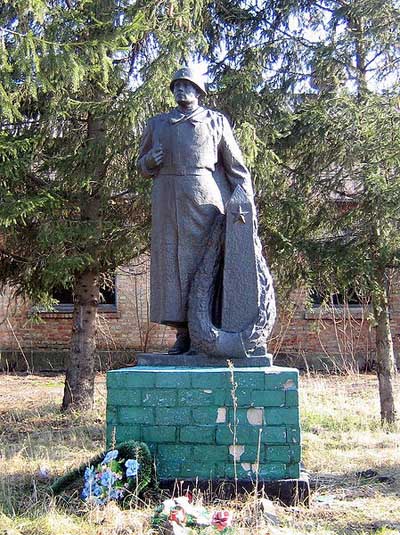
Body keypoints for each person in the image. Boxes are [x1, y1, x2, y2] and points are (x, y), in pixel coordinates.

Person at [137, 67, 254, 355]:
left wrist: (245, 201)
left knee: (203, 262)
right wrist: (150, 161)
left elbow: (235, 166)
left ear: (199, 91)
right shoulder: (158, 124)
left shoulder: (215, 121)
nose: (180, 90)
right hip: (166, 199)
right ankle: (183, 334)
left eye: (187, 85)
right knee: (172, 268)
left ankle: (208, 327)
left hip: (203, 198)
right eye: (176, 85)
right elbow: (140, 164)